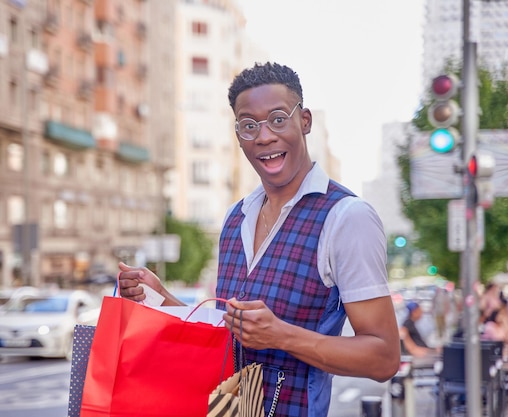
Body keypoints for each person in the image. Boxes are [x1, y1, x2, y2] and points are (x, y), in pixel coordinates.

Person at [117, 62, 400, 416]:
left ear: (305, 121)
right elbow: (227, 334)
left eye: (278, 119)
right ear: (238, 135)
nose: (264, 136)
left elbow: (384, 358)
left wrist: (281, 336)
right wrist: (163, 299)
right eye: (249, 125)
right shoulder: (237, 216)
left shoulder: (347, 218)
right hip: (229, 410)